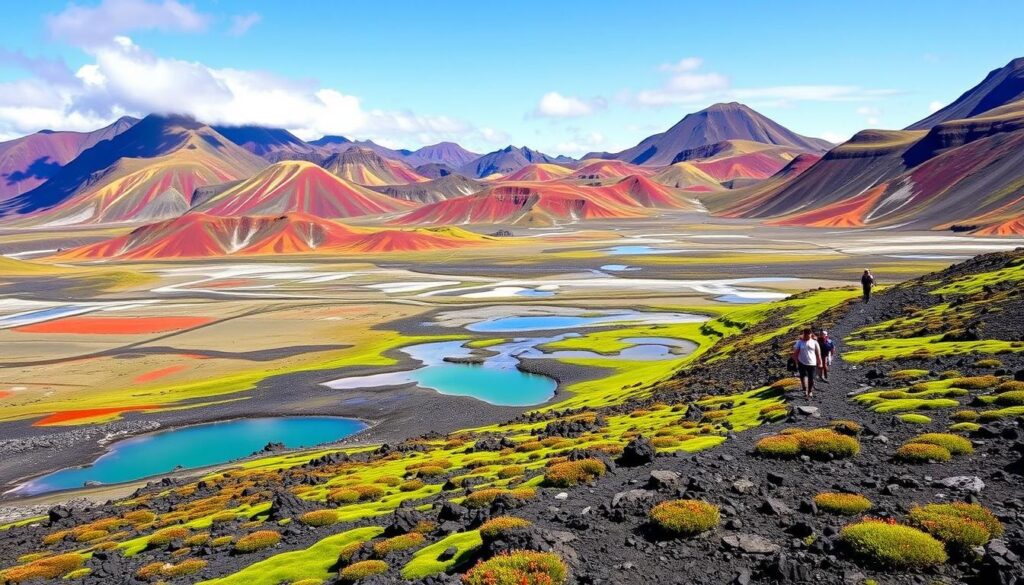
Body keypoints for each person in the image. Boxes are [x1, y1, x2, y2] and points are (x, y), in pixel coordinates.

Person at [792, 327, 822, 399]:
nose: (806, 336)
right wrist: (796, 362)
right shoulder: (799, 342)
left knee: (811, 378)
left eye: (808, 335)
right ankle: (805, 389)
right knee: (803, 376)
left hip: (812, 363)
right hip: (801, 362)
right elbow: (795, 352)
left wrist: (820, 363)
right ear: (803, 334)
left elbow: (818, 354)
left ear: (811, 334)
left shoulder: (815, 342)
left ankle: (810, 391)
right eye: (805, 335)